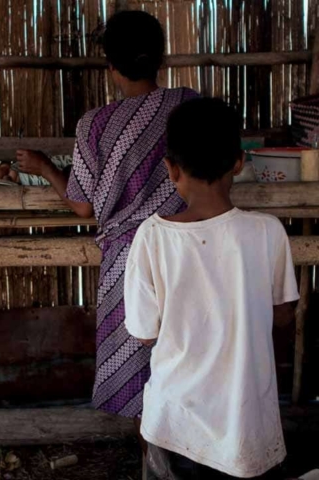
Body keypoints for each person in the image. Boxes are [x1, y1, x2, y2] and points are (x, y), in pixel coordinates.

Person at [16, 10, 198, 434]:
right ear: (161, 59)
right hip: (185, 248)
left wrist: (44, 167)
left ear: (111, 67)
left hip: (128, 262)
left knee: (136, 356)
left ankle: (149, 447)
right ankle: (189, 443)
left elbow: (83, 207)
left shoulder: (95, 125)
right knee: (185, 350)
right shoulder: (188, 105)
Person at [124, 97, 298, 479]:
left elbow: (143, 334)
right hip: (245, 422)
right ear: (239, 162)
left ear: (171, 169)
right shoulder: (267, 233)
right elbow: (283, 315)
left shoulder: (151, 237)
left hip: (173, 424)